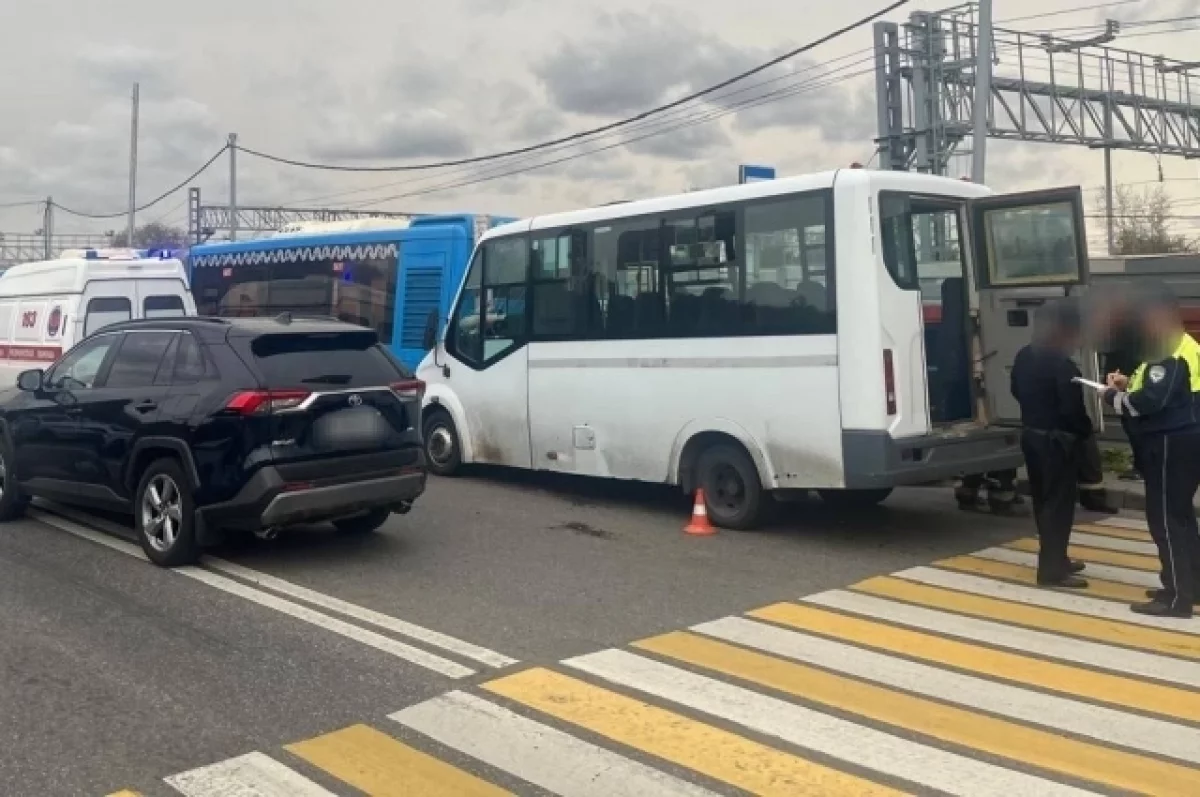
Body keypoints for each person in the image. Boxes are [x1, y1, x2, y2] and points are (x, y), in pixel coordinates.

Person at [1103, 285, 1200, 618]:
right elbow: (1171, 391)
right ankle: (1191, 585)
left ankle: (1176, 597)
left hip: (1170, 441)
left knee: (1165, 520)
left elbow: (1152, 401)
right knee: (1182, 517)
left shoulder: (1167, 351)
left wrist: (1113, 398)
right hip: (1185, 436)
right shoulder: (1186, 345)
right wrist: (1130, 384)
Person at [1010, 300, 1092, 587]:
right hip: (1057, 441)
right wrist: (1084, 431)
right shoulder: (1062, 363)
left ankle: (1058, 558)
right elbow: (1071, 408)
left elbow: (1015, 390)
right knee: (1058, 506)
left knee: (1044, 502)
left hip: (1032, 436)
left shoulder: (1024, 355)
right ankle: (1052, 570)